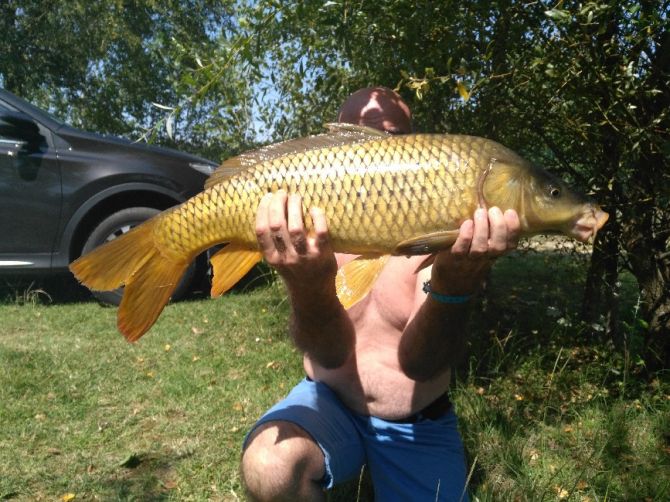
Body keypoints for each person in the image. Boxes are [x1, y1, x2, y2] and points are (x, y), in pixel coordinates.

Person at [241, 87, 521, 501]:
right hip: (326, 399)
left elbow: (421, 364)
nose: (371, 149)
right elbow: (330, 353)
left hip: (415, 419)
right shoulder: (310, 231)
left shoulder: (443, 230)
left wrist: (454, 285)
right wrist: (307, 286)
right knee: (269, 466)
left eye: (392, 137)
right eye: (353, 137)